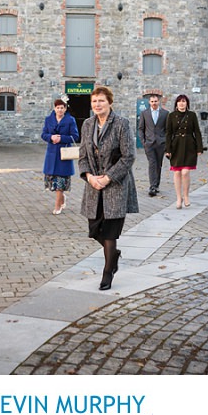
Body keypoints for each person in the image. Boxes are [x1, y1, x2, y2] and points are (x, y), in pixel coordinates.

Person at [79, 87, 138, 291]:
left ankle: (108, 272)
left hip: (115, 186)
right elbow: (83, 156)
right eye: (94, 101)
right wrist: (89, 177)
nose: (97, 104)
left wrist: (108, 178)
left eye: (101, 101)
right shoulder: (87, 125)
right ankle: (114, 255)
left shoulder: (122, 124)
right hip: (94, 186)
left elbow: (128, 155)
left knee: (111, 231)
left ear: (110, 102)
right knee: (95, 229)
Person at [165, 94, 204, 209]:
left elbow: (197, 131)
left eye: (184, 101)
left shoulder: (192, 115)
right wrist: (167, 149)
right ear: (176, 104)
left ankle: (186, 196)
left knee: (185, 172)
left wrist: (199, 147)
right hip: (176, 145)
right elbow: (168, 133)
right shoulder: (171, 116)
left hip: (189, 145)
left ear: (187, 103)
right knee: (177, 173)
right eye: (179, 101)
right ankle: (178, 197)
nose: (182, 103)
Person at [41, 98, 80, 215]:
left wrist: (61, 138)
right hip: (51, 154)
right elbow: (43, 134)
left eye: (62, 108)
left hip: (64, 155)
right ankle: (62, 198)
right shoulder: (48, 119)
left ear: (65, 108)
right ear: (54, 108)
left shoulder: (70, 120)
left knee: (60, 182)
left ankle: (57, 206)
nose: (60, 110)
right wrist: (51, 137)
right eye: (58, 108)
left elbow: (75, 136)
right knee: (53, 182)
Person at [138, 94, 169, 197]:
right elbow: (141, 128)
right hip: (149, 143)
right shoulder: (144, 113)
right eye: (152, 102)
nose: (154, 103)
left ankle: (157, 185)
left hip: (161, 143)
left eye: (155, 101)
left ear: (158, 101)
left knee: (158, 164)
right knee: (152, 163)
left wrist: (165, 141)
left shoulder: (165, 113)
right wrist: (143, 142)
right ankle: (152, 186)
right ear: (149, 102)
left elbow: (167, 129)